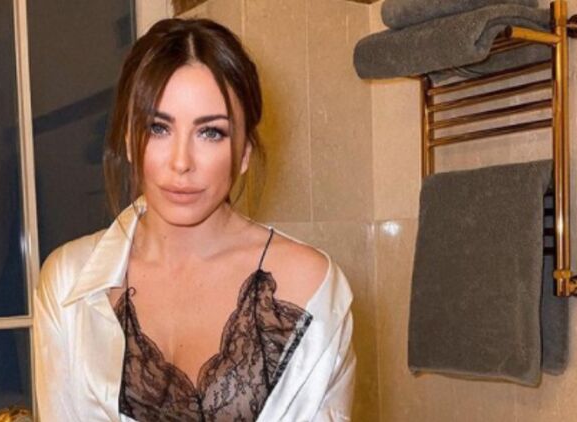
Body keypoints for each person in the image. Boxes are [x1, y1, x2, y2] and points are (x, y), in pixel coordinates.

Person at [34, 17, 356, 422]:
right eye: (158, 128)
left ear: (244, 152)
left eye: (211, 133)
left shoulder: (313, 287)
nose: (181, 162)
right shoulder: (67, 283)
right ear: (130, 141)